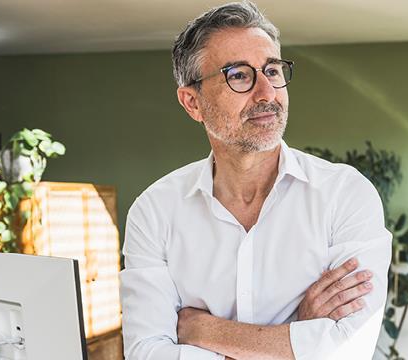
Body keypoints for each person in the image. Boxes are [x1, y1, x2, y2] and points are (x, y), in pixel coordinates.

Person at [119, 1, 392, 359]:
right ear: (192, 103)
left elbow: (346, 350)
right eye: (239, 75)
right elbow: (147, 354)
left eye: (273, 71)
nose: (267, 93)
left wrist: (202, 330)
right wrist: (296, 332)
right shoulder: (154, 212)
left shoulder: (345, 195)